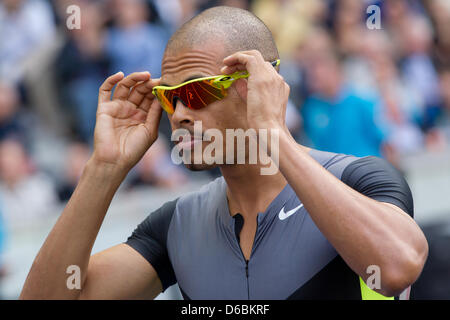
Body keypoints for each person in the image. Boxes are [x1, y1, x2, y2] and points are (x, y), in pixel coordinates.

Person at [20, 6, 428, 300]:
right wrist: (104, 169)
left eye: (196, 91)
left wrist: (273, 133)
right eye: (168, 97)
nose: (179, 114)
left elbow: (395, 270)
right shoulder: (177, 225)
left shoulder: (360, 179)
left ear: (262, 83)